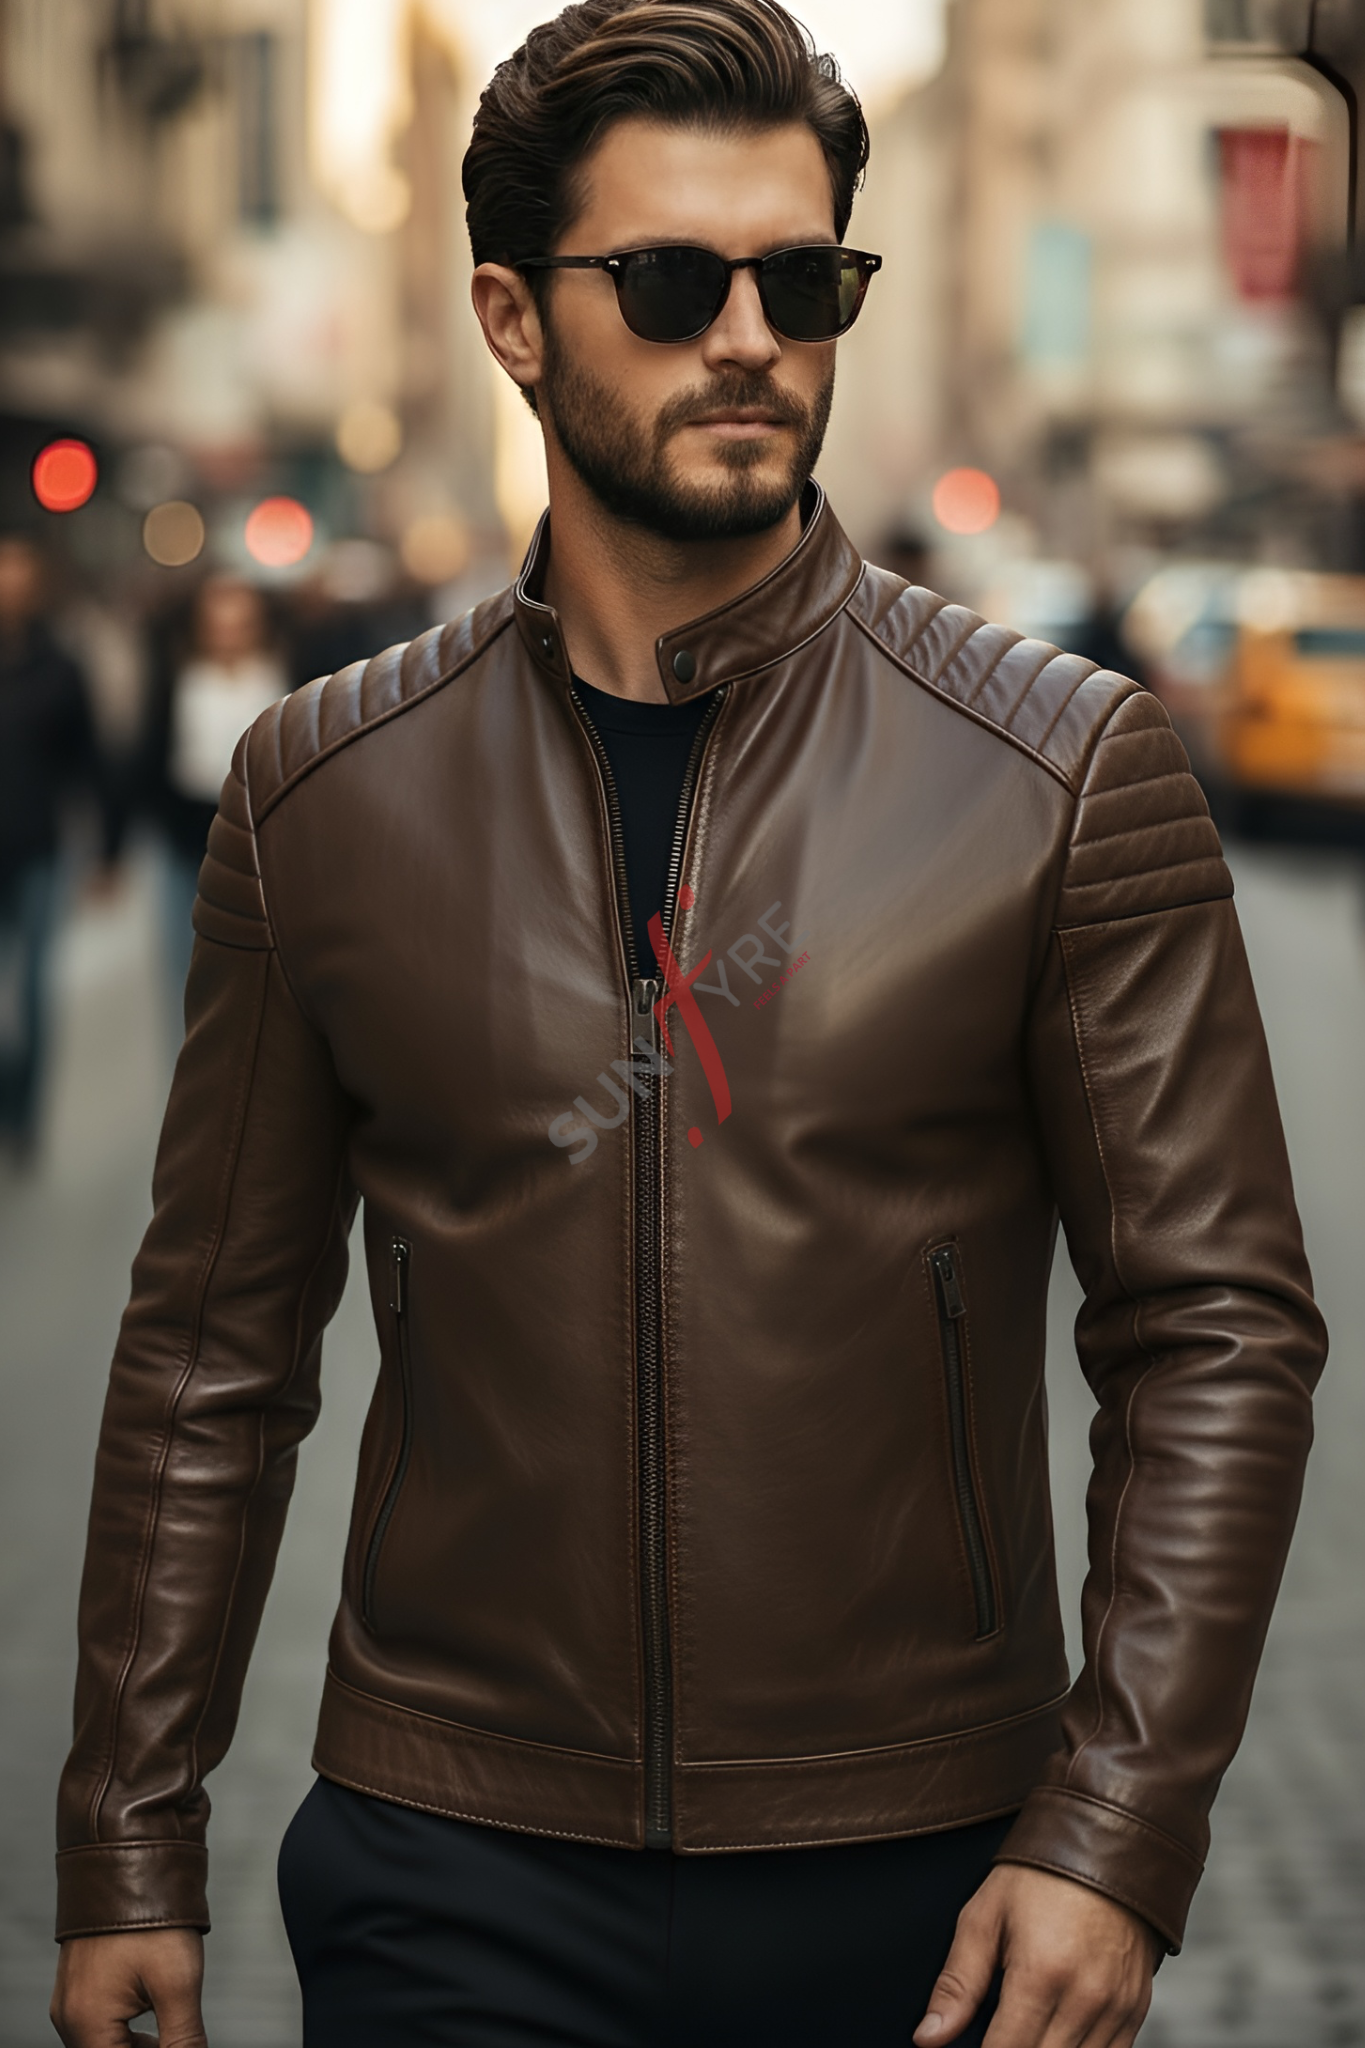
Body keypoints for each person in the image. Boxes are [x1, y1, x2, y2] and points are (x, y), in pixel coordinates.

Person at [51, 4, 1325, 2045]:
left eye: (801, 280)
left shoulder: (1063, 769)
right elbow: (210, 1353)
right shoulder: (321, 797)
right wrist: (128, 1839)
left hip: (923, 1885)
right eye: (667, 281)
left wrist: (1115, 1827)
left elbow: (1212, 1328)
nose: (748, 333)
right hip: (453, 1863)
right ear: (511, 317)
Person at [133, 574, 289, 1043]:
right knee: (186, 976)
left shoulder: (279, 680)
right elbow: (150, 760)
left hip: (266, 856)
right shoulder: (180, 682)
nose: (229, 633)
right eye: (219, 623)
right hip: (188, 848)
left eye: (240, 623)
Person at [0, 534, 113, 1163]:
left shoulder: (60, 665)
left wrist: (108, 845)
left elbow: (88, 757)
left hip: (39, 846)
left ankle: (25, 1117)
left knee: (35, 989)